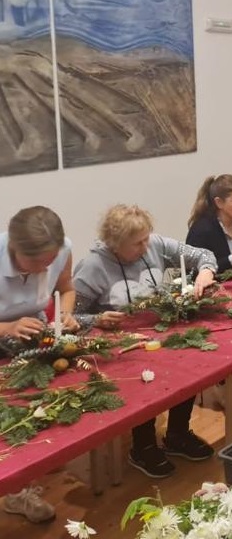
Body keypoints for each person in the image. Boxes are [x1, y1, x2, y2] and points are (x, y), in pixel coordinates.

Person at [73, 204, 216, 478]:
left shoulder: (156, 244)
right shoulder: (92, 267)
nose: (145, 247)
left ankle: (177, 434)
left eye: (146, 239)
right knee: (144, 380)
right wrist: (97, 319)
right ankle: (143, 446)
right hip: (122, 344)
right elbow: (69, 317)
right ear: (115, 245)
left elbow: (203, 255)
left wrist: (205, 272)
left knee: (189, 366)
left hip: (161, 330)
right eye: (136, 243)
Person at [0, 206, 79, 523]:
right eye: (36, 263)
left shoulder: (63, 249)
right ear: (13, 248)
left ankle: (20, 486)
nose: (44, 268)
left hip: (32, 340)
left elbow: (66, 288)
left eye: (50, 260)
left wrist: (64, 314)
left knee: (34, 410)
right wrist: (8, 328)